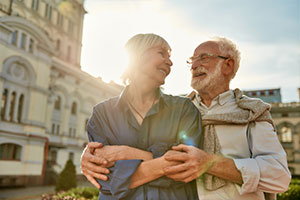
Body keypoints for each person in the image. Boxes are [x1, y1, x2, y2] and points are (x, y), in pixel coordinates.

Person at [81, 36, 291, 200]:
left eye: (204, 58)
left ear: (227, 65)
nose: (193, 65)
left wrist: (210, 163)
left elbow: (279, 177)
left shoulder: (252, 113)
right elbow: (106, 169)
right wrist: (89, 155)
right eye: (192, 60)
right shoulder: (181, 108)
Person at [84, 33, 202, 200]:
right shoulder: (103, 114)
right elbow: (104, 179)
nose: (170, 62)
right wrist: (162, 162)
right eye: (162, 53)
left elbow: (187, 166)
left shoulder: (184, 109)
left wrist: (125, 153)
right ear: (137, 56)